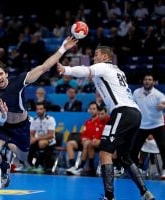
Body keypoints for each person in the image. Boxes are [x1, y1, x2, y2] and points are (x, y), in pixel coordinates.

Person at [57, 45, 155, 200]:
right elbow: (92, 76)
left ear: (104, 57)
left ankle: (109, 197)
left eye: (96, 55)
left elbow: (86, 70)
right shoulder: (117, 71)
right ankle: (145, 193)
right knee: (124, 157)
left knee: (105, 152)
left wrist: (66, 70)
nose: (93, 58)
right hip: (135, 113)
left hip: (122, 111)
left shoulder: (103, 66)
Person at [0, 36, 78, 189]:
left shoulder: (19, 81)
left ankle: (13, 154)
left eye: (1, 73)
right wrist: (2, 115)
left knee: (23, 157)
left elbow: (43, 67)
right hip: (3, 126)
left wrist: (63, 48)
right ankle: (4, 167)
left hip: (21, 126)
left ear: (6, 74)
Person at [131, 73, 165, 179]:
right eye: (145, 79)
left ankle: (164, 170)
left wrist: (163, 106)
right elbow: (132, 103)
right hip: (142, 125)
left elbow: (164, 103)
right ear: (143, 81)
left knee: (163, 148)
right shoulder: (137, 92)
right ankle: (134, 170)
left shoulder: (158, 94)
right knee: (134, 149)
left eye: (150, 79)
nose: (147, 81)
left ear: (153, 82)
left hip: (157, 125)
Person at [66, 102, 104, 176]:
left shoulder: (101, 121)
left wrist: (87, 140)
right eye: (90, 109)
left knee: (87, 143)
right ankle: (73, 166)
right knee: (69, 144)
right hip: (84, 142)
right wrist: (83, 139)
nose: (92, 110)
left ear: (97, 110)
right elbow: (83, 134)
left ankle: (81, 167)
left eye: (94, 109)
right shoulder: (88, 122)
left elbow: (98, 136)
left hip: (93, 144)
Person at [28, 102, 57, 172]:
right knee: (27, 143)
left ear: (45, 110)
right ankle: (28, 164)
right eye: (37, 109)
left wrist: (36, 138)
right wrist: (31, 139)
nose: (39, 111)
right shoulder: (34, 120)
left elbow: (51, 135)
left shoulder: (50, 119)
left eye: (41, 109)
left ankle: (41, 164)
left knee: (41, 143)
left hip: (50, 140)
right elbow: (31, 133)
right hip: (38, 140)